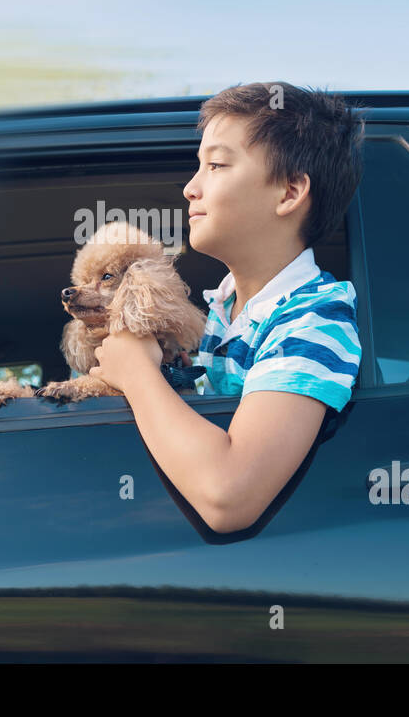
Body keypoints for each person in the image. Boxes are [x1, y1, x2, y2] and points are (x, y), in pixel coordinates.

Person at [88, 81, 365, 533]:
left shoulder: (313, 319)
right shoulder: (223, 308)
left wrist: (136, 372)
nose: (189, 189)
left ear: (289, 193)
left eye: (216, 165)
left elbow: (229, 496)